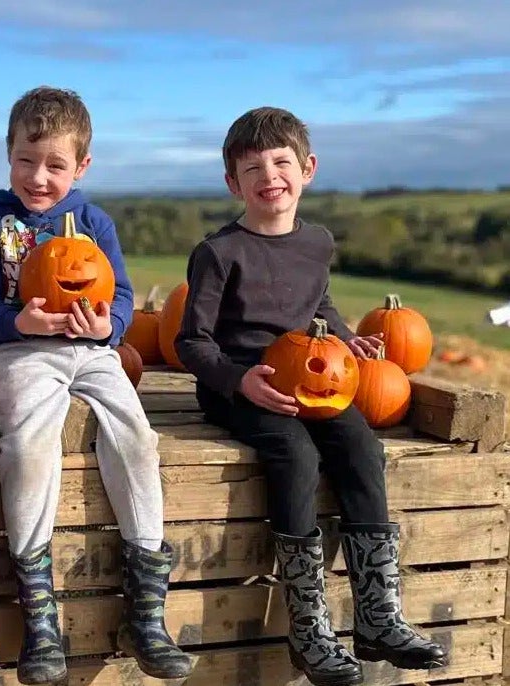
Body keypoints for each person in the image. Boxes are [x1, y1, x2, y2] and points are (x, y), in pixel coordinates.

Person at [176, 106, 449, 686]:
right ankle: (309, 629)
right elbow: (191, 343)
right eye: (252, 168)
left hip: (314, 381)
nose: (268, 175)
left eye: (280, 162)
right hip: (241, 385)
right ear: (233, 184)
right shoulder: (219, 253)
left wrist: (350, 341)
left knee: (360, 447)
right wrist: (238, 379)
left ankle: (378, 616)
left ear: (308, 169)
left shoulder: (317, 242)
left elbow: (318, 309)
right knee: (295, 453)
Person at [0, 86, 193, 684]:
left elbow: (117, 296)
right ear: (8, 154)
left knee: (137, 438)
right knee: (32, 444)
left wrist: (109, 326)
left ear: (81, 166)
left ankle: (147, 611)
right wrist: (18, 321)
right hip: (21, 352)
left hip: (91, 352)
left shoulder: (94, 223)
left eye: (56, 165)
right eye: (26, 161)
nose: (39, 177)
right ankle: (40, 614)